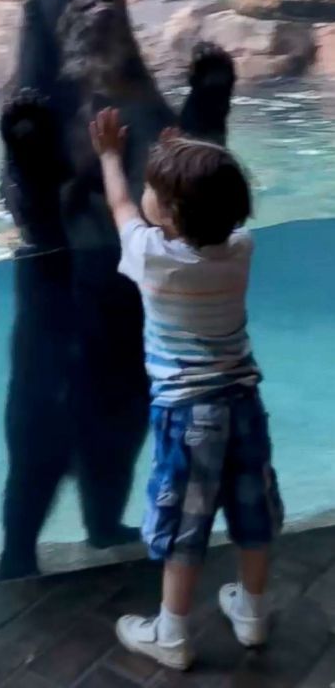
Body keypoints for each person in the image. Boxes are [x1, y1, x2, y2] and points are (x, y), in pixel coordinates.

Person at [90, 109, 284, 672]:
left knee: (185, 525)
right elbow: (203, 207)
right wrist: (183, 155)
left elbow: (122, 209)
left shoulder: (153, 257)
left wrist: (108, 156)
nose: (145, 195)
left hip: (187, 416)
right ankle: (252, 612)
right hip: (244, 405)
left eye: (156, 191)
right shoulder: (240, 249)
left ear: (169, 215)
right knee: (252, 510)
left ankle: (172, 634)